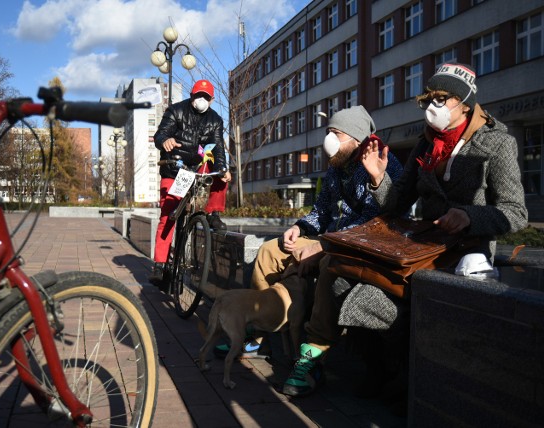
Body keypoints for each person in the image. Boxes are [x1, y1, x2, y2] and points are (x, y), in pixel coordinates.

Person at [281, 63, 528, 400]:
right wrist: (379, 178)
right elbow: (395, 204)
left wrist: (470, 216)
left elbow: (515, 213)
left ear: (465, 102)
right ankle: (379, 367)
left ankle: (402, 374)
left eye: (442, 99)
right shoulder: (425, 146)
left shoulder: (498, 143)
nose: (433, 107)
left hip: (463, 254)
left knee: (373, 299)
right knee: (339, 279)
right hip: (419, 249)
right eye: (429, 99)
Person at [214, 105, 404, 358]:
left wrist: (322, 246)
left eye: (336, 133)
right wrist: (299, 227)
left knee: (328, 266)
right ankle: (257, 330)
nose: (329, 140)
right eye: (329, 132)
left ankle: (314, 351)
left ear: (356, 138)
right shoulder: (336, 168)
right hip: (331, 240)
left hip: (361, 247)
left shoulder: (383, 162)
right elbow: (322, 210)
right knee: (270, 251)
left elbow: (373, 223)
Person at [149, 79, 232, 287]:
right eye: (198, 96)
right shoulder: (176, 111)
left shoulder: (215, 120)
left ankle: (213, 214)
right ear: (192, 96)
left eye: (205, 97)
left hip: (196, 168)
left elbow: (219, 148)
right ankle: (159, 264)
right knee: (168, 215)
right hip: (174, 168)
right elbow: (160, 135)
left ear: (212, 100)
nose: (201, 100)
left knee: (220, 171)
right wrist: (165, 141)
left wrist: (223, 169)